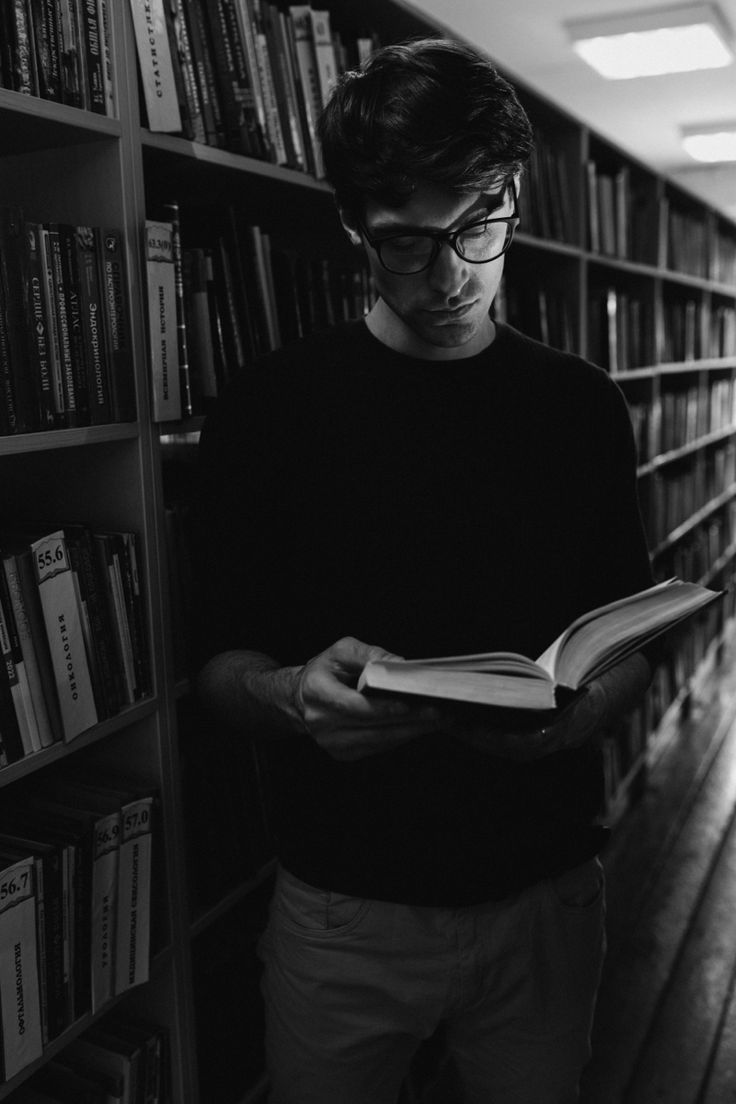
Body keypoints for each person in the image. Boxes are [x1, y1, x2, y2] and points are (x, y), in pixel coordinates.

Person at [193, 36, 654, 1104]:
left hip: (545, 896)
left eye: (477, 224)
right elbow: (215, 671)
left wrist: (575, 717)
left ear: (515, 196)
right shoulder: (270, 412)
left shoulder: (581, 408)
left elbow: (624, 647)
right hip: (344, 910)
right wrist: (284, 694)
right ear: (352, 224)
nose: (449, 274)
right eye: (405, 241)